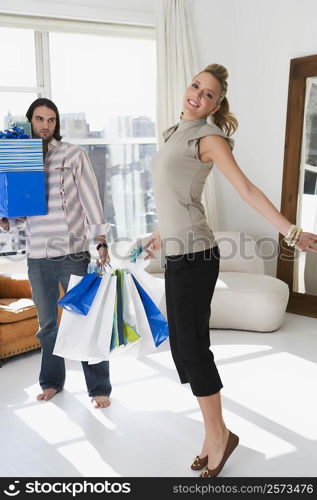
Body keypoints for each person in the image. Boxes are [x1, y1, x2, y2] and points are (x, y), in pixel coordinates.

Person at [144, 63, 317, 477]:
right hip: (176, 251)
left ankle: (219, 437)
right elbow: (175, 195)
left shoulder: (208, 137)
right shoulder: (174, 133)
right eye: (195, 86)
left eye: (208, 95)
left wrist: (289, 230)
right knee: (184, 349)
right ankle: (214, 433)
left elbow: (246, 189)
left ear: (217, 105)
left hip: (196, 257)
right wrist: (159, 232)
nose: (198, 96)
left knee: (193, 349)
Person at [0, 98, 111, 409]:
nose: (45, 125)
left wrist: (100, 239)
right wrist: (6, 219)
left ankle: (99, 387)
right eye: (39, 119)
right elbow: (24, 214)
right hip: (37, 257)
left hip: (73, 252)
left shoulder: (72, 155)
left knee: (84, 320)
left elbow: (90, 198)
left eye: (50, 119)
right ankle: (51, 382)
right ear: (30, 122)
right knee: (48, 325)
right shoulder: (23, 159)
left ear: (56, 123)